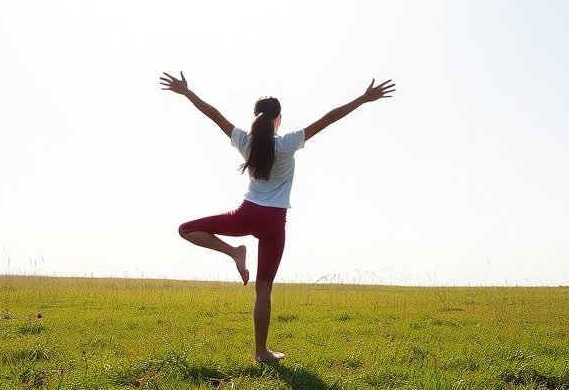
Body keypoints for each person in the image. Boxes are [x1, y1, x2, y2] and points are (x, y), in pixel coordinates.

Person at [160, 71, 396, 365]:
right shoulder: (287, 144)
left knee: (186, 229)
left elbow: (214, 115)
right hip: (274, 223)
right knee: (264, 289)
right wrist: (363, 98)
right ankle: (261, 352)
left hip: (246, 215)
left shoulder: (245, 141)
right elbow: (329, 118)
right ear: (278, 118)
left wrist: (187, 92)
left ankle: (234, 251)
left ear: (255, 117)